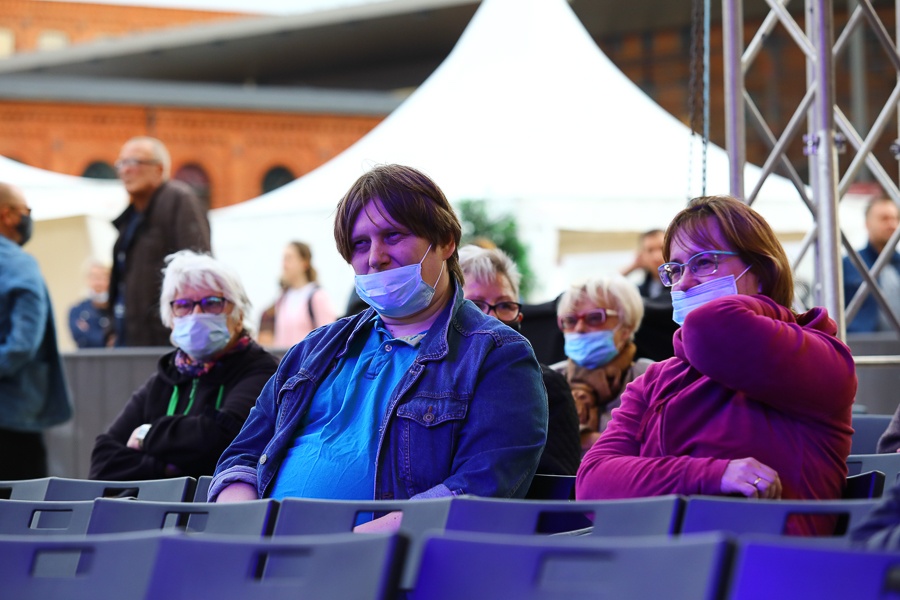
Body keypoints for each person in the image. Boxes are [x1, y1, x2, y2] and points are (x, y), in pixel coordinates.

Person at [209, 164, 548, 532]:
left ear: (446, 241)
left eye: (393, 235)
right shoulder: (314, 349)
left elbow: (481, 488)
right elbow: (242, 454)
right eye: (360, 244)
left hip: (385, 570)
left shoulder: (497, 356)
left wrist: (354, 545)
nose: (375, 257)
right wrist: (242, 524)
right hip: (257, 560)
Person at [576, 195, 856, 536]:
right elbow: (592, 485)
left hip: (769, 572)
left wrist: (768, 307)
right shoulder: (656, 379)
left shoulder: (819, 353)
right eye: (675, 269)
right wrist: (713, 475)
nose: (684, 282)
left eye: (704, 262)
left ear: (763, 273)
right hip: (663, 570)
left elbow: (710, 327)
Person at [89, 250, 277, 481]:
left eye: (212, 303)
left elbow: (221, 438)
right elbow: (103, 460)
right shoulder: (166, 377)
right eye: (184, 305)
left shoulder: (261, 371)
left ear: (238, 315)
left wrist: (146, 435)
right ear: (170, 318)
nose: (197, 314)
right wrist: (166, 469)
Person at [458, 244, 581, 476]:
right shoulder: (424, 380)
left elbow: (555, 487)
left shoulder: (546, 387)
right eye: (475, 305)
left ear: (520, 317)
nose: (491, 318)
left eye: (504, 306)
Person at [109, 136, 211, 347]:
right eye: (121, 163)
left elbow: (198, 271)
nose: (125, 170)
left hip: (167, 343)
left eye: (134, 162)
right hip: (130, 341)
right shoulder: (131, 218)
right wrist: (111, 330)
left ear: (159, 169)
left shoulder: (179, 200)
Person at [0, 182, 72, 479]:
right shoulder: (19, 264)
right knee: (20, 511)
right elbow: (23, 344)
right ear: (8, 215)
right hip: (13, 415)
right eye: (26, 211)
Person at [552, 275, 651, 453]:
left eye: (595, 318)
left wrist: (587, 440)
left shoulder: (651, 379)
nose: (580, 328)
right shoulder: (547, 380)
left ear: (626, 327)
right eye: (570, 320)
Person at [257, 241, 336, 348]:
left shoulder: (317, 296)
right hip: (284, 361)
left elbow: (329, 338)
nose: (284, 265)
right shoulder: (282, 298)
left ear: (304, 263)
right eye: (284, 259)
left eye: (289, 258)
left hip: (307, 363)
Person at [843, 195, 900, 333]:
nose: (892, 224)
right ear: (867, 224)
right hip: (863, 347)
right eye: (884, 218)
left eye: (895, 218)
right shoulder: (850, 264)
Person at [68, 259, 112, 349]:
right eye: (95, 277)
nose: (99, 283)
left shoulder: (118, 309)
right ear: (87, 280)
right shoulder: (77, 311)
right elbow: (81, 336)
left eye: (104, 277)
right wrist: (105, 338)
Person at [621, 229, 667, 300]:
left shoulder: (680, 285)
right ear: (642, 255)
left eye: (662, 248)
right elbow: (607, 288)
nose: (656, 257)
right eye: (650, 250)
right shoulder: (639, 291)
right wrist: (633, 266)